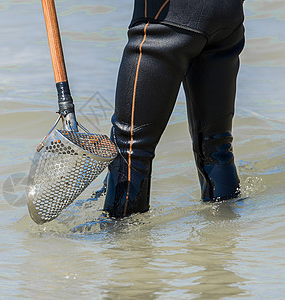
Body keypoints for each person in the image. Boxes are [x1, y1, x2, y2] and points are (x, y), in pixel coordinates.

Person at [104, 0, 245, 218]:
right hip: (227, 17)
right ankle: (223, 242)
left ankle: (121, 247)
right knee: (216, 147)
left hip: (167, 21)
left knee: (130, 153)